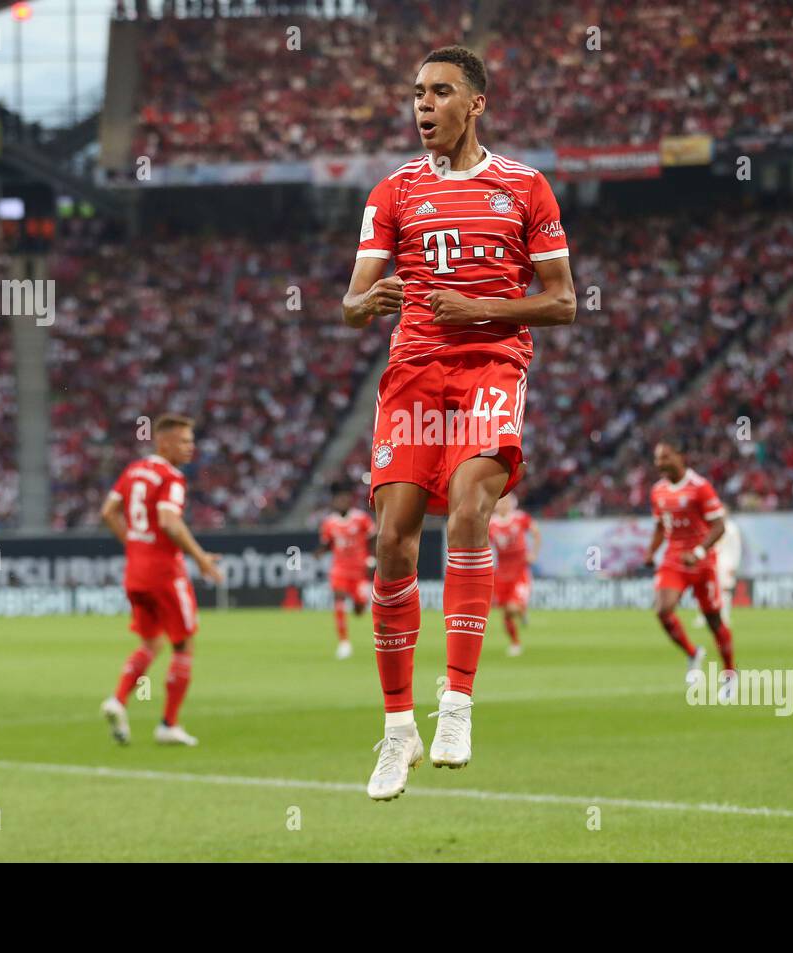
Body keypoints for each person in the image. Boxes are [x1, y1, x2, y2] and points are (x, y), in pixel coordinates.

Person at [341, 46, 576, 800]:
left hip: (490, 366)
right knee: (392, 540)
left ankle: (457, 702)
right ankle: (397, 727)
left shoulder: (524, 187)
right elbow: (353, 300)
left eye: (440, 92)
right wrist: (364, 304)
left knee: (473, 507)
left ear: (475, 104)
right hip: (411, 374)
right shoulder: (393, 192)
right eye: (416, 93)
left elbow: (565, 301)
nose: (423, 106)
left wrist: (483, 309)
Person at [98, 414, 224, 747]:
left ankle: (118, 700)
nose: (190, 447)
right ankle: (168, 723)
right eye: (184, 441)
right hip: (166, 572)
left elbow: (107, 512)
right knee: (183, 645)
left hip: (135, 572)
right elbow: (169, 522)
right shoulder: (171, 477)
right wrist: (199, 558)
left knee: (151, 643)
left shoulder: (133, 470)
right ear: (164, 442)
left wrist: (135, 544)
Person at [645, 441, 737, 702]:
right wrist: (651, 551)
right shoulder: (658, 491)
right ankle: (692, 652)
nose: (659, 463)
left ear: (680, 456)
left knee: (714, 621)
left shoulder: (700, 487)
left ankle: (730, 673)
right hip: (674, 559)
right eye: (657, 459)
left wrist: (697, 552)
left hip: (702, 562)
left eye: (664, 457)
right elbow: (661, 527)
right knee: (663, 609)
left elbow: (719, 526)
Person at [317, 488, 376, 660]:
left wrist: (372, 558)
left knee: (359, 609)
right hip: (339, 569)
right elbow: (328, 543)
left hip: (359, 570)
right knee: (339, 598)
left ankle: (359, 605)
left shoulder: (361, 518)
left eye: (345, 499)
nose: (342, 503)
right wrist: (319, 552)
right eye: (339, 500)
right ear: (334, 502)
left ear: (350, 501)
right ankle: (344, 643)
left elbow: (373, 538)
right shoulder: (329, 522)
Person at [488, 494, 540, 656]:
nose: (503, 504)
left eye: (506, 501)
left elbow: (536, 533)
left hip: (520, 571)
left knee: (511, 608)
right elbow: (483, 543)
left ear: (512, 503)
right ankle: (515, 643)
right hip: (502, 572)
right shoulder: (490, 523)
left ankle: (521, 611)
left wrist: (533, 554)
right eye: (500, 501)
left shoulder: (520, 518)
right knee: (505, 611)